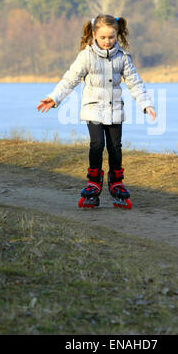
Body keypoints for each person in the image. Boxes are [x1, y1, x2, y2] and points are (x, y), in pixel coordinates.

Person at [37, 14, 156, 209]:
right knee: (97, 144)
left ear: (117, 35)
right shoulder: (86, 56)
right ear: (94, 35)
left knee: (115, 146)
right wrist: (54, 97)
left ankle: (116, 181)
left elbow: (135, 83)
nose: (107, 41)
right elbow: (70, 79)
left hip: (115, 110)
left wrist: (146, 104)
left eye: (111, 37)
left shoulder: (122, 58)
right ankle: (93, 181)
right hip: (93, 110)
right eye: (103, 37)